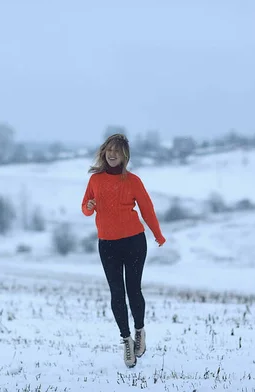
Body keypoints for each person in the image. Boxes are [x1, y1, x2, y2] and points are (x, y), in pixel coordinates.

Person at [81, 133, 166, 368]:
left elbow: (147, 210)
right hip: (107, 243)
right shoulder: (95, 180)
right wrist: (89, 207)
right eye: (109, 150)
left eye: (117, 151)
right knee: (116, 293)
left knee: (133, 289)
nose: (112, 154)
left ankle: (140, 330)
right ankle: (126, 340)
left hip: (134, 242)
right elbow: (85, 206)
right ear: (103, 152)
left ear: (124, 156)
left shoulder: (133, 181)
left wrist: (158, 235)